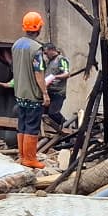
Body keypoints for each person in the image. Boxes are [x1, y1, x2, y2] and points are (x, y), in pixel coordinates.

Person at [11, 11, 49, 169]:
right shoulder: (36, 48)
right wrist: (45, 93)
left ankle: (22, 156)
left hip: (19, 92)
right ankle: (30, 158)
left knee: (22, 124)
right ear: (38, 28)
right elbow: (38, 72)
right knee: (32, 126)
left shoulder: (16, 45)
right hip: (33, 94)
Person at [41, 41, 72, 130]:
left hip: (58, 92)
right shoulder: (48, 61)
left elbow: (67, 74)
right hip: (48, 91)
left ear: (51, 50)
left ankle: (66, 125)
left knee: (53, 113)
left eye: (46, 53)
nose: (46, 55)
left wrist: (54, 77)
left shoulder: (61, 59)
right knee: (44, 115)